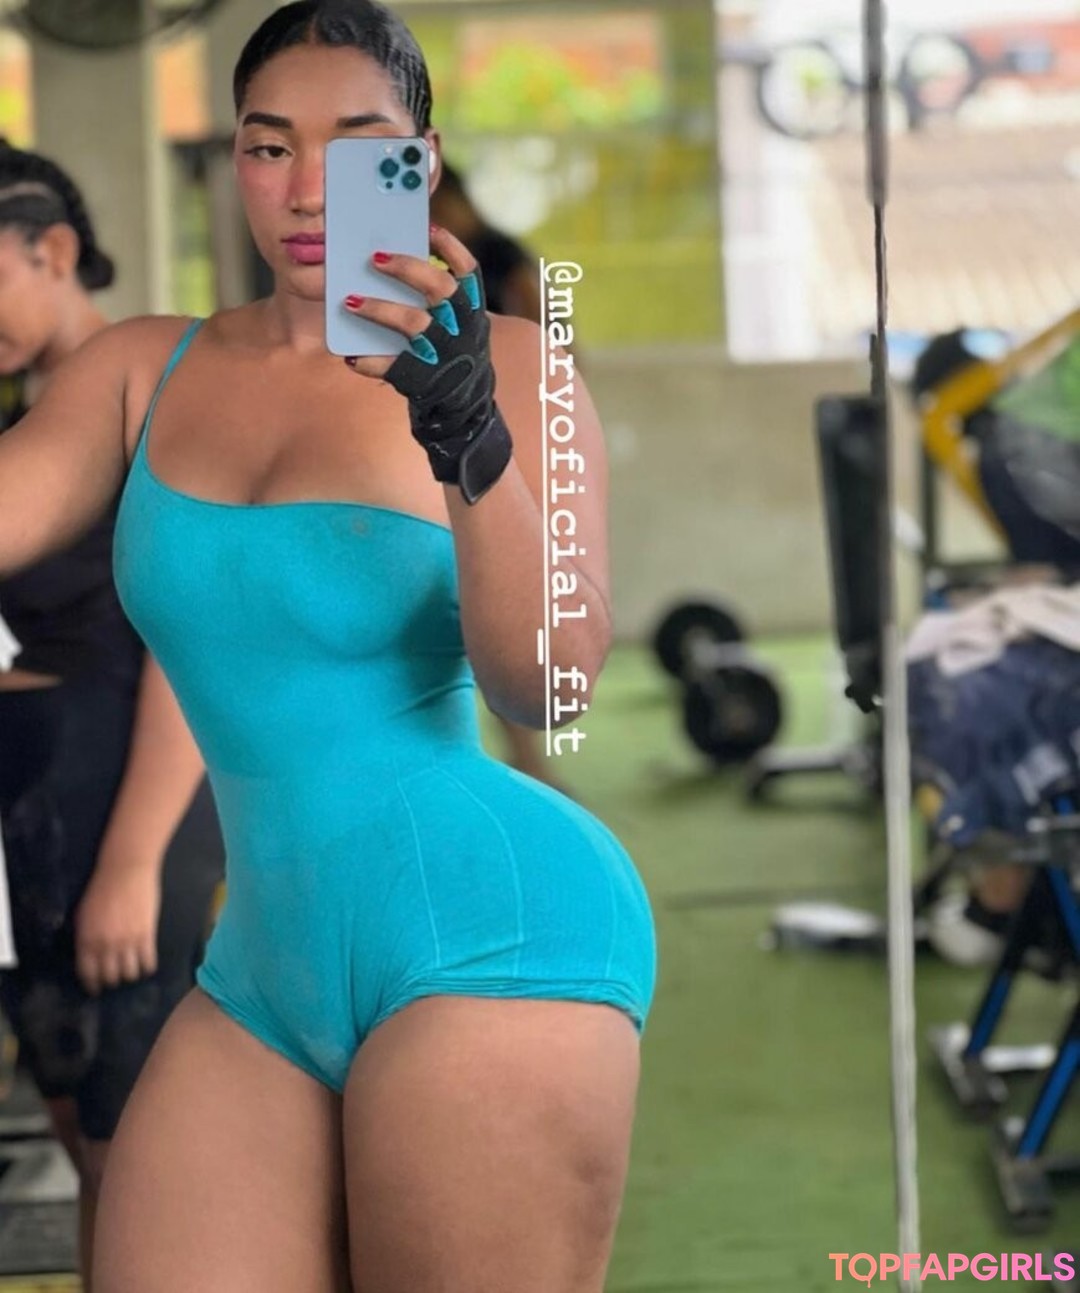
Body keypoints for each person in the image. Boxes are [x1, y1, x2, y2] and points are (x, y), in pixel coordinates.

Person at [0, 3, 657, 1288]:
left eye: (358, 147)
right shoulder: (142, 370)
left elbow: (554, 682)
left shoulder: (521, 365)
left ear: (422, 158)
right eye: (268, 146)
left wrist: (468, 441)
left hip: (488, 928)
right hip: (264, 973)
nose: (307, 191)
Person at [0, 143, 225, 1286]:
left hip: (129, 810)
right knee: (86, 1143)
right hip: (32, 825)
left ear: (51, 250)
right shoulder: (21, 417)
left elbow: (189, 652)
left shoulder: (153, 394)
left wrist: (132, 863)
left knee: (140, 1153)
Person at [431, 161, 562, 788]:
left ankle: (529, 759)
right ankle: (519, 757)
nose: (432, 220)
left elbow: (554, 336)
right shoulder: (422, 265)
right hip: (456, 438)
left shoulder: (501, 254)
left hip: (512, 436)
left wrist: (551, 411)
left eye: (437, 206)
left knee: (508, 598)